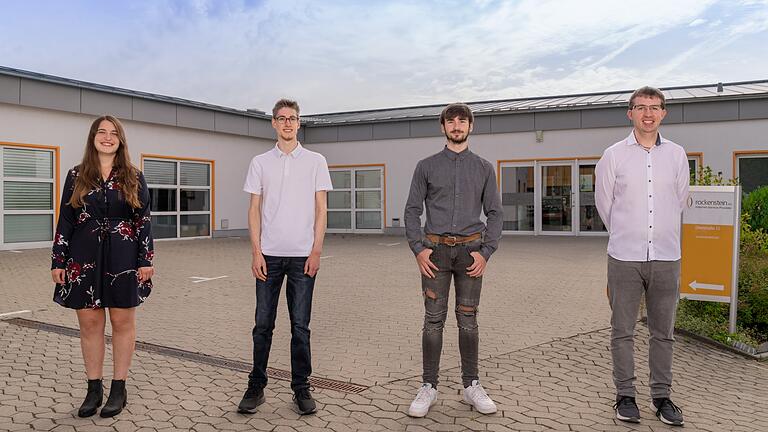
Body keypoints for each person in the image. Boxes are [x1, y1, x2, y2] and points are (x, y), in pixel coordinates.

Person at [595, 86, 689, 426]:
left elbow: (679, 201)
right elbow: (605, 205)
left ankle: (662, 398)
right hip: (624, 257)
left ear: (663, 113)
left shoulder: (677, 155)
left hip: (666, 256)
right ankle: (625, 396)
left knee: (663, 332)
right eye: (641, 107)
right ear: (630, 113)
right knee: (623, 330)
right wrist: (628, 232)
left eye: (654, 107)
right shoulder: (613, 155)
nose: (648, 113)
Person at [403, 103, 503, 417]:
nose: (457, 125)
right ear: (443, 127)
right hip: (434, 253)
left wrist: (486, 252)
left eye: (462, 121)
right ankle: (428, 387)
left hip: (471, 253)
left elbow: (496, 213)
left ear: (470, 126)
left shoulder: (484, 168)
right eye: (451, 121)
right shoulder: (426, 166)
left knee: (468, 319)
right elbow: (412, 210)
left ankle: (471, 385)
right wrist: (418, 248)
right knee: (433, 321)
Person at [51, 115, 154, 418]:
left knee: (122, 323)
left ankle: (118, 389)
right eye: (101, 132)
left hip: (124, 257)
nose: (107, 137)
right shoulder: (76, 175)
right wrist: (59, 259)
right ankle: (93, 389)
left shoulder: (134, 176)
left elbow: (143, 221)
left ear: (121, 140)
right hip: (83, 258)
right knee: (90, 325)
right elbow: (66, 219)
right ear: (93, 137)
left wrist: (145, 260)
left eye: (113, 133)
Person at [239, 98, 332, 415]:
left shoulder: (316, 161)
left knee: (300, 327)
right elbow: (253, 210)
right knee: (262, 325)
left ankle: (301, 388)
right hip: (269, 257)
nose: (288, 123)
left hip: (303, 258)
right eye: (282, 118)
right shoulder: (260, 162)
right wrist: (256, 251)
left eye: (292, 118)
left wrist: (316, 250)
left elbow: (321, 209)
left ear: (299, 122)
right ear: (274, 124)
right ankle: (256, 386)